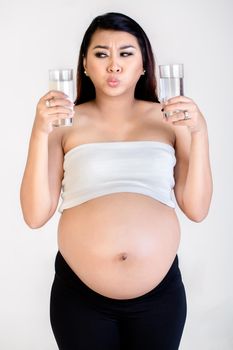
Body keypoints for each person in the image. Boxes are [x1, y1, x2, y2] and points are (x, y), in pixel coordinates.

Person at [20, 12, 213, 350]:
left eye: (125, 53)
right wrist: (39, 132)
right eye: (101, 54)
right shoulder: (64, 122)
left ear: (143, 65)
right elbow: (35, 215)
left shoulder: (172, 119)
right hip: (80, 298)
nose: (113, 65)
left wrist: (200, 132)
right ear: (84, 64)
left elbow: (196, 209)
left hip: (159, 298)